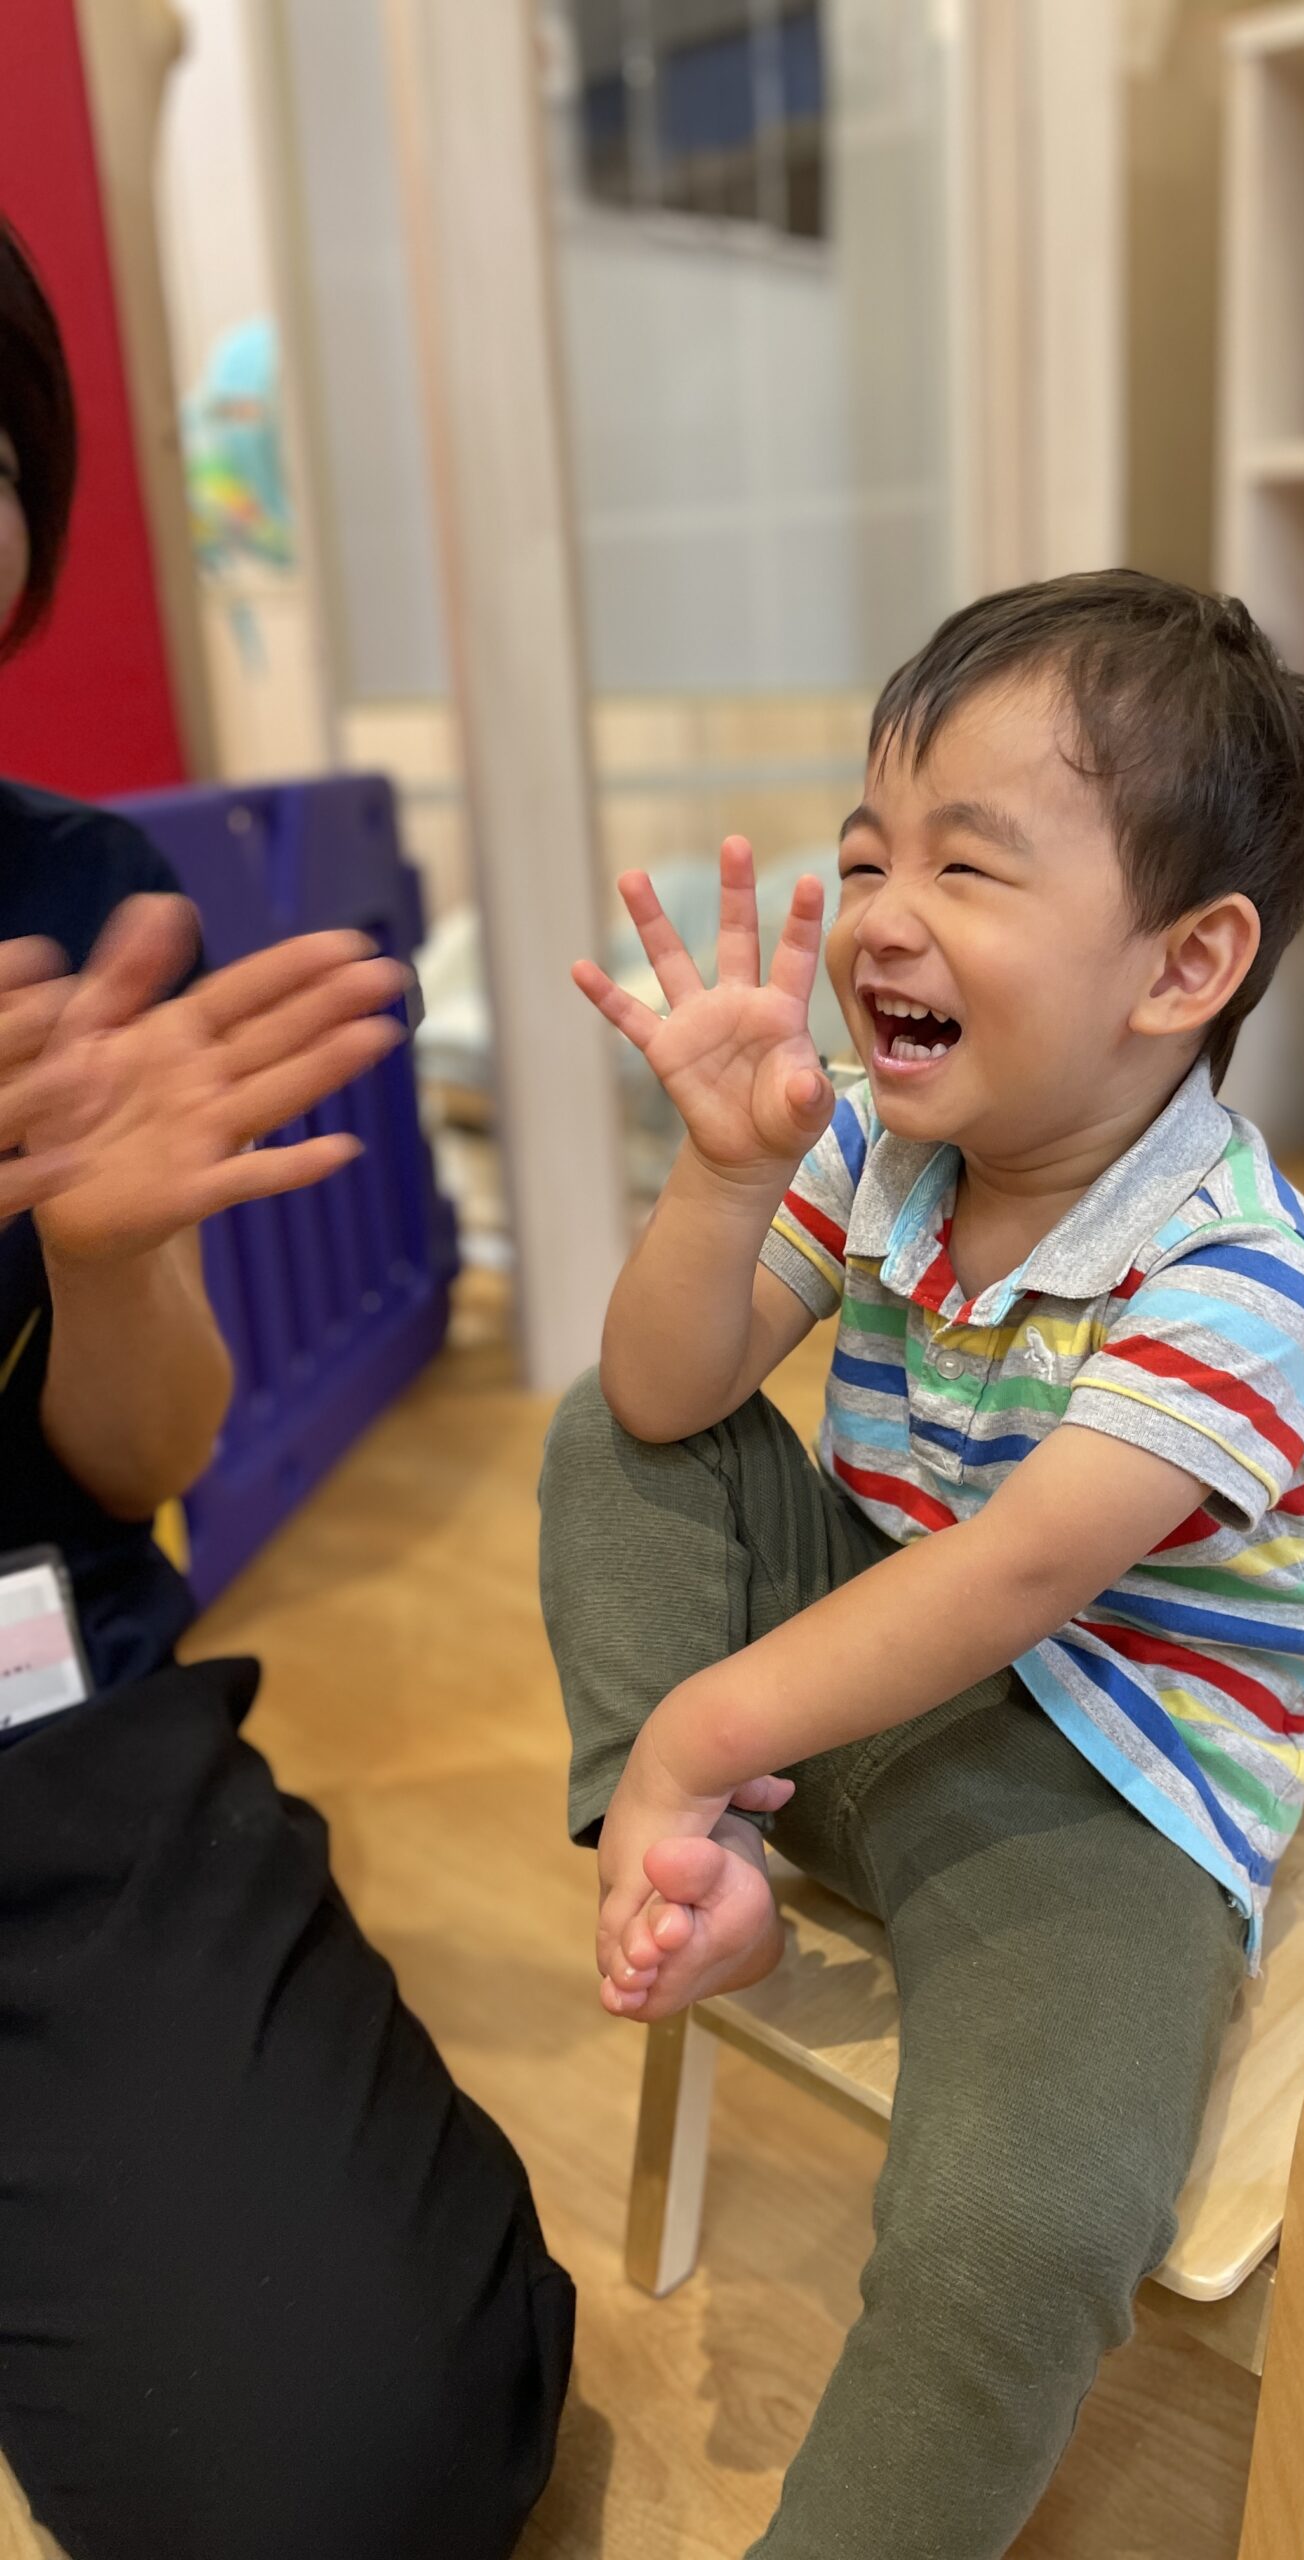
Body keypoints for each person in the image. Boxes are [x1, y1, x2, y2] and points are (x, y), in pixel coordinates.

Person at [539, 568, 1304, 2559]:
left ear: (1186, 966)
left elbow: (1009, 1585)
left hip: (1112, 1784)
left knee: (1021, 2227)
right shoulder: (887, 1143)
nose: (881, 917)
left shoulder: (1240, 1271)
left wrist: (705, 1718)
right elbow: (666, 1398)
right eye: (866, 852)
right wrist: (725, 1173)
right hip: (869, 1679)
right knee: (605, 1439)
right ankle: (715, 1860)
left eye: (970, 868)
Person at [0, 217, 573, 2559]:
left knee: (375, 2457)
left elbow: (135, 1464)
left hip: (38, 1728)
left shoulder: (83, 897)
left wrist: (109, 1256)